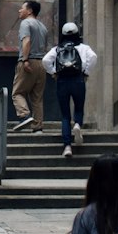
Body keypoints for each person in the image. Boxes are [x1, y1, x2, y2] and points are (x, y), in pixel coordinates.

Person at [43, 22, 99, 158]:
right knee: (79, 108)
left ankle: (67, 146)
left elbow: (45, 60)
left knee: (65, 115)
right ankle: (78, 124)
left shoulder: (57, 49)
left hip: (62, 81)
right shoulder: (84, 48)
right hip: (78, 80)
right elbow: (93, 57)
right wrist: (86, 72)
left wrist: (53, 72)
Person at [12, 0, 48, 131]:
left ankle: (24, 115)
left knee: (17, 92)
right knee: (37, 97)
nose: (19, 10)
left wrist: (25, 60)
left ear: (30, 11)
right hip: (41, 63)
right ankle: (38, 127)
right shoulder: (43, 27)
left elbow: (26, 42)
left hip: (29, 61)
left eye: (22, 8)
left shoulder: (25, 23)